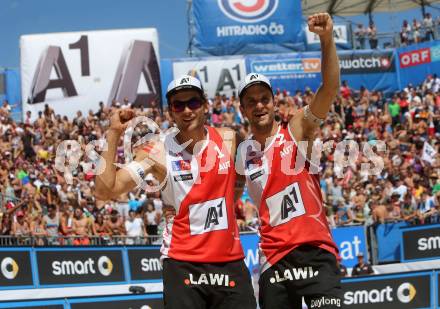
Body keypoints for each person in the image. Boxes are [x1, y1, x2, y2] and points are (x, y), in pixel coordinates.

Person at [95, 75, 256, 308]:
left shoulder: (229, 139)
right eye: (178, 105)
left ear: (205, 105)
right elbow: (105, 191)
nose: (187, 110)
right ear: (171, 112)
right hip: (183, 262)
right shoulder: (156, 152)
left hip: (229, 260)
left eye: (193, 102)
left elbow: (241, 177)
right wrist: (113, 132)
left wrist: (229, 203)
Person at [238, 13, 341, 309]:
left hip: (315, 250)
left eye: (264, 98)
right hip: (274, 260)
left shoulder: (297, 129)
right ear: (243, 108)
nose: (259, 105)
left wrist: (326, 39)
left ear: (273, 101)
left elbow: (330, 89)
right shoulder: (242, 152)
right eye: (252, 100)